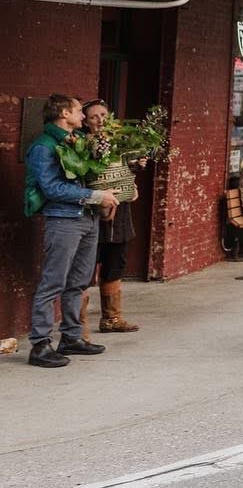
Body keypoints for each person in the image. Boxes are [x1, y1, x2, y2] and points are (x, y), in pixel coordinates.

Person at [26, 94, 117, 368]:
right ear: (64, 113)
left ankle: (71, 337)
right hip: (63, 220)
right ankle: (40, 344)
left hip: (87, 218)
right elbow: (51, 188)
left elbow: (84, 175)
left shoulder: (75, 141)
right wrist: (95, 195)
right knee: (52, 282)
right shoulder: (44, 146)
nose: (83, 115)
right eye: (79, 111)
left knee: (78, 282)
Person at [81, 99, 140, 334]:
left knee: (116, 263)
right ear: (85, 120)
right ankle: (79, 325)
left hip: (120, 212)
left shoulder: (119, 143)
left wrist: (135, 165)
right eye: (94, 116)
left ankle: (112, 318)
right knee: (84, 269)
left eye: (104, 115)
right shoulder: (81, 144)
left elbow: (125, 172)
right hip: (91, 213)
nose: (100, 121)